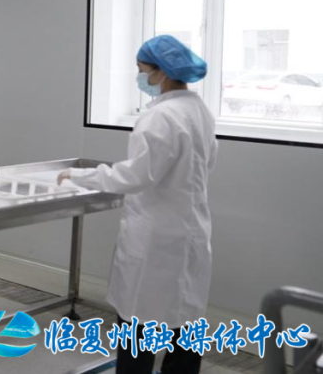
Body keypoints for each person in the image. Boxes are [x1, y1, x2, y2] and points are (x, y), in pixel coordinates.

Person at [57, 35, 217, 374]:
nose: (141, 77)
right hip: (191, 230)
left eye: (142, 70)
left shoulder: (161, 116)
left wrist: (81, 176)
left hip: (157, 238)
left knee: (138, 322)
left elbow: (136, 177)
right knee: (186, 322)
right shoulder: (198, 110)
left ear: (162, 72)